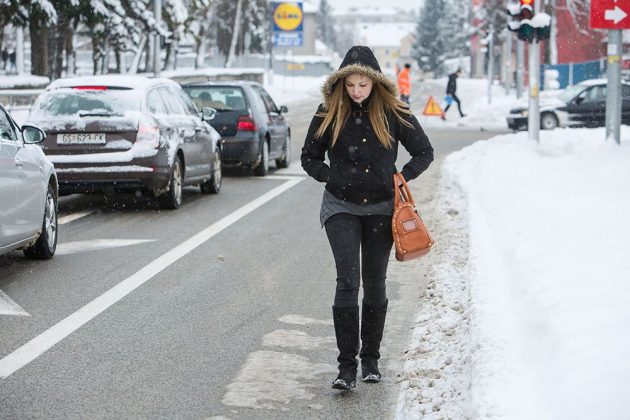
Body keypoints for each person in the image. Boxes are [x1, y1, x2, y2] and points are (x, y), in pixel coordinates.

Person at [301, 46, 434, 391]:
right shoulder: (328, 111)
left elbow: (424, 151)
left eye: (363, 84)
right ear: (341, 84)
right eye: (350, 85)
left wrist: (401, 176)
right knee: (347, 281)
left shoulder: (393, 111)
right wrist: (329, 176)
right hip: (340, 207)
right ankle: (346, 367)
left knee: (375, 283)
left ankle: (370, 360)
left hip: (381, 208)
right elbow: (309, 156)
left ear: (375, 82)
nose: (356, 91)